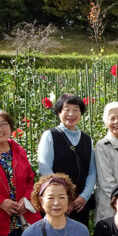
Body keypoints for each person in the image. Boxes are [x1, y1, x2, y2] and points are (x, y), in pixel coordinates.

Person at [37, 94, 97, 227]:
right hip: (57, 202)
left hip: (80, 204)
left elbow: (92, 170)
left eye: (76, 110)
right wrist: (64, 198)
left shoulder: (87, 140)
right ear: (59, 112)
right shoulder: (50, 135)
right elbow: (45, 169)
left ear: (81, 114)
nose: (71, 114)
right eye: (66, 109)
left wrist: (84, 197)